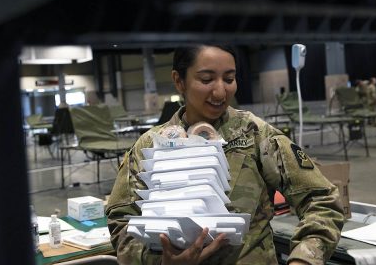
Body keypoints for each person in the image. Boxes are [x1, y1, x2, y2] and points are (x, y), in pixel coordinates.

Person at [106, 45, 344, 265]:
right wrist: (157, 262)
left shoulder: (255, 135)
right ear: (179, 81)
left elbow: (322, 200)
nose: (221, 90)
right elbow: (120, 221)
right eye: (207, 79)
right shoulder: (149, 145)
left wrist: (303, 258)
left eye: (229, 79)